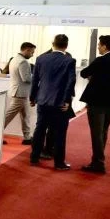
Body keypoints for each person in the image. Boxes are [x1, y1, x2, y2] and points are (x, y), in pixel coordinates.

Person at [29, 34, 76, 170]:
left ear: (52, 43)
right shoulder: (69, 61)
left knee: (40, 129)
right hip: (59, 102)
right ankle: (59, 163)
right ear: (66, 46)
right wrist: (66, 100)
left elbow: (35, 80)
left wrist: (32, 97)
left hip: (42, 101)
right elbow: (71, 82)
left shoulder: (41, 58)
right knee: (60, 133)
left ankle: (34, 157)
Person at [79, 35, 110, 174]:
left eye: (99, 45)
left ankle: (98, 163)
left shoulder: (100, 60)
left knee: (96, 133)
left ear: (105, 46)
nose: (98, 47)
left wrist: (94, 76)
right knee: (103, 131)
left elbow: (84, 73)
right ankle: (97, 160)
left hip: (97, 102)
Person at [2, 42, 36, 144]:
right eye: (32, 52)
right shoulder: (23, 62)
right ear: (27, 50)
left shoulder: (14, 59)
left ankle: (27, 137)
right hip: (20, 93)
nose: (32, 55)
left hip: (18, 92)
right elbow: (26, 78)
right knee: (8, 116)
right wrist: (37, 77)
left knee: (25, 116)